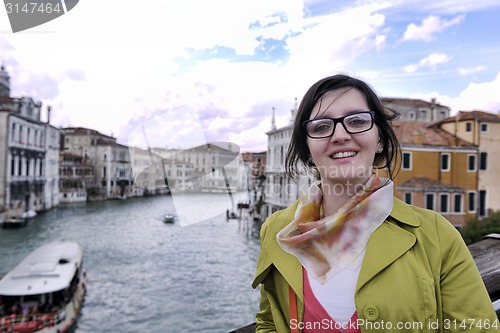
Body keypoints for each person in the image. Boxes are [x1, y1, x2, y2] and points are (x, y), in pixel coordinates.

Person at [252, 74, 498, 333]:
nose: (339, 135)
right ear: (308, 147)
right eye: (322, 126)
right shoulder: (276, 231)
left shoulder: (436, 234)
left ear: (380, 139)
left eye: (357, 121)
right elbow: (270, 322)